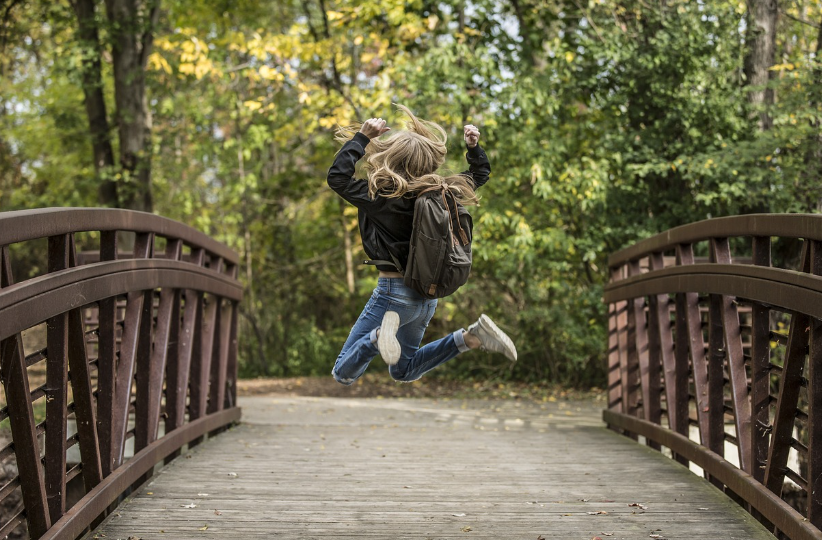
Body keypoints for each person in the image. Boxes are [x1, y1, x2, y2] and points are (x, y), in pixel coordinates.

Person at [327, 105, 517, 385]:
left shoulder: (379, 196)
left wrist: (362, 137)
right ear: (428, 161)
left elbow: (338, 178)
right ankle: (471, 337)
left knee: (342, 372)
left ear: (391, 157)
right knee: (403, 370)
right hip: (426, 297)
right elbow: (479, 175)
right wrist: (473, 149)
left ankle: (379, 337)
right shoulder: (444, 192)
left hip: (392, 295)